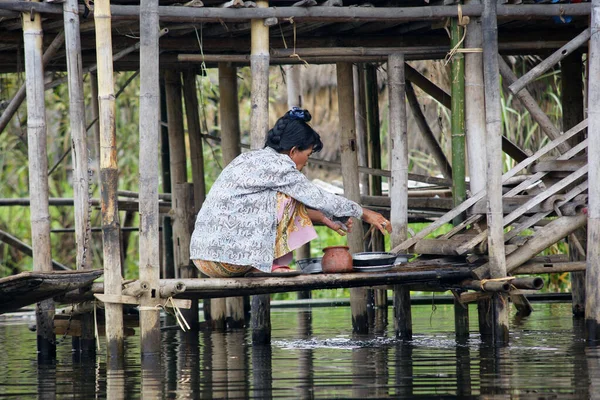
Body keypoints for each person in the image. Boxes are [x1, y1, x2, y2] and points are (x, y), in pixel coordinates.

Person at [189, 107, 392, 278]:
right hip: (228, 261)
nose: (306, 162)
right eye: (308, 154)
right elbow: (318, 197)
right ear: (294, 151)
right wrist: (365, 213)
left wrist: (323, 217)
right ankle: (267, 263)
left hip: (204, 259)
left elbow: (273, 209)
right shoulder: (280, 166)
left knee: (285, 196)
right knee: (288, 196)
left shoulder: (247, 159)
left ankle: (258, 262)